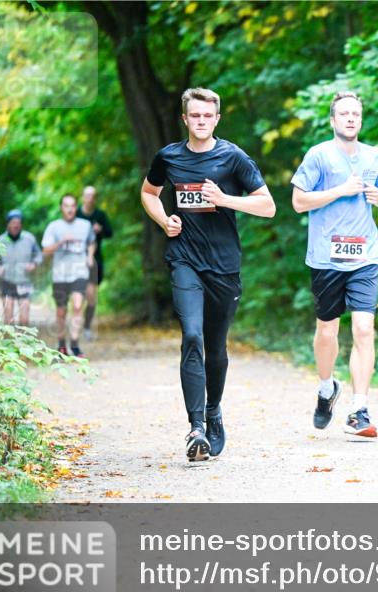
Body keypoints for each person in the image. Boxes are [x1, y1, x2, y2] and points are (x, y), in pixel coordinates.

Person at [140, 87, 275, 462]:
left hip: (224, 266)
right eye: (194, 115)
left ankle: (213, 411)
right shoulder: (168, 157)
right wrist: (163, 220)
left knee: (215, 347)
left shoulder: (233, 158)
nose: (201, 121)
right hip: (184, 259)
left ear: (217, 119)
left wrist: (225, 199)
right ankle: (196, 427)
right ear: (184, 119)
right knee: (192, 336)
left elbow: (268, 206)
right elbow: (149, 192)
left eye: (207, 115)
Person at [292, 91, 378, 438]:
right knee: (327, 332)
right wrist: (340, 190)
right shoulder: (318, 155)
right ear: (333, 120)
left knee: (364, 329)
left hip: (365, 255)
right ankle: (326, 388)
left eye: (356, 114)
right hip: (327, 257)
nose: (351, 119)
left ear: (361, 120)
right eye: (344, 114)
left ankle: (359, 410)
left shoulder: (374, 156)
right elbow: (298, 201)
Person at [42, 194, 95, 357]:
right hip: (60, 274)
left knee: (78, 306)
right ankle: (61, 345)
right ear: (61, 208)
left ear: (76, 208)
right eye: (66, 206)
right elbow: (45, 251)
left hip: (79, 271)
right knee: (61, 311)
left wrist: (90, 256)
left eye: (72, 206)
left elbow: (92, 242)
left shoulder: (85, 225)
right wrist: (61, 242)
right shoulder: (53, 227)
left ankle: (75, 345)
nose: (70, 209)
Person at [76, 185, 113, 340]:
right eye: (87, 196)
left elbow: (110, 233)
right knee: (78, 297)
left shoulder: (100, 215)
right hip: (75, 260)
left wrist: (101, 229)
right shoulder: (75, 214)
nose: (90, 199)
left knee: (91, 297)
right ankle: (75, 326)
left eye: (92, 196)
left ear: (95, 198)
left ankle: (86, 327)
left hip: (94, 260)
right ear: (82, 197)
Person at [0, 209, 42, 326]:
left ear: (21, 225)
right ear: (8, 224)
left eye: (18, 223)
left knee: (24, 320)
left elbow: (39, 255)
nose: (16, 225)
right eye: (13, 223)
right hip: (7, 281)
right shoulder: (1, 240)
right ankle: (9, 338)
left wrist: (34, 264)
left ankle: (23, 337)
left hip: (24, 281)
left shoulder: (29, 238)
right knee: (8, 319)